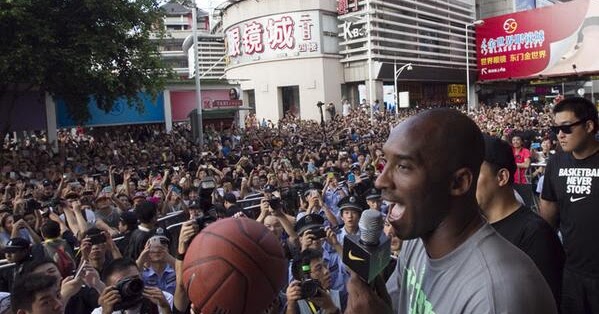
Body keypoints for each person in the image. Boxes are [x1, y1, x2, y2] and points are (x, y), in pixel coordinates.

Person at [346, 108, 557, 313]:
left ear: (458, 183)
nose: (381, 180)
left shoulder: (497, 296)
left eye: (403, 166)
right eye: (385, 162)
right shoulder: (415, 243)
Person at [477, 135, 564, 306]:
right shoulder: (473, 226)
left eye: (474, 173)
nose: (464, 182)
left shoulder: (536, 235)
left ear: (502, 177)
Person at [540, 96, 599, 314]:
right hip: (572, 273)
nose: (560, 135)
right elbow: (548, 219)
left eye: (566, 128)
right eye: (556, 129)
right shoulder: (556, 162)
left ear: (589, 126)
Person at [93, 258, 173, 314]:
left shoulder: (162, 299)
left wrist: (165, 308)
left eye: (135, 279)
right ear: (109, 288)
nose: (133, 285)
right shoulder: (100, 312)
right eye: (123, 283)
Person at [285, 249, 344, 314]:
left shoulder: (341, 297)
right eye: (319, 269)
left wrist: (331, 308)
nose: (326, 271)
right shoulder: (296, 304)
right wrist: (291, 306)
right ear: (303, 278)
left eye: (325, 266)